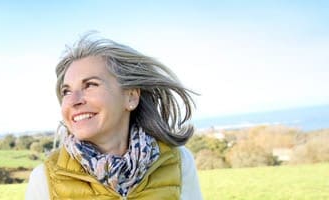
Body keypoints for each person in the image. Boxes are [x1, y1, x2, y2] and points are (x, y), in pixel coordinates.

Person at [25, 33, 203, 200]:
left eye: (90, 85)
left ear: (131, 97)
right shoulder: (44, 180)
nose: (73, 100)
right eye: (66, 91)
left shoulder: (178, 162)